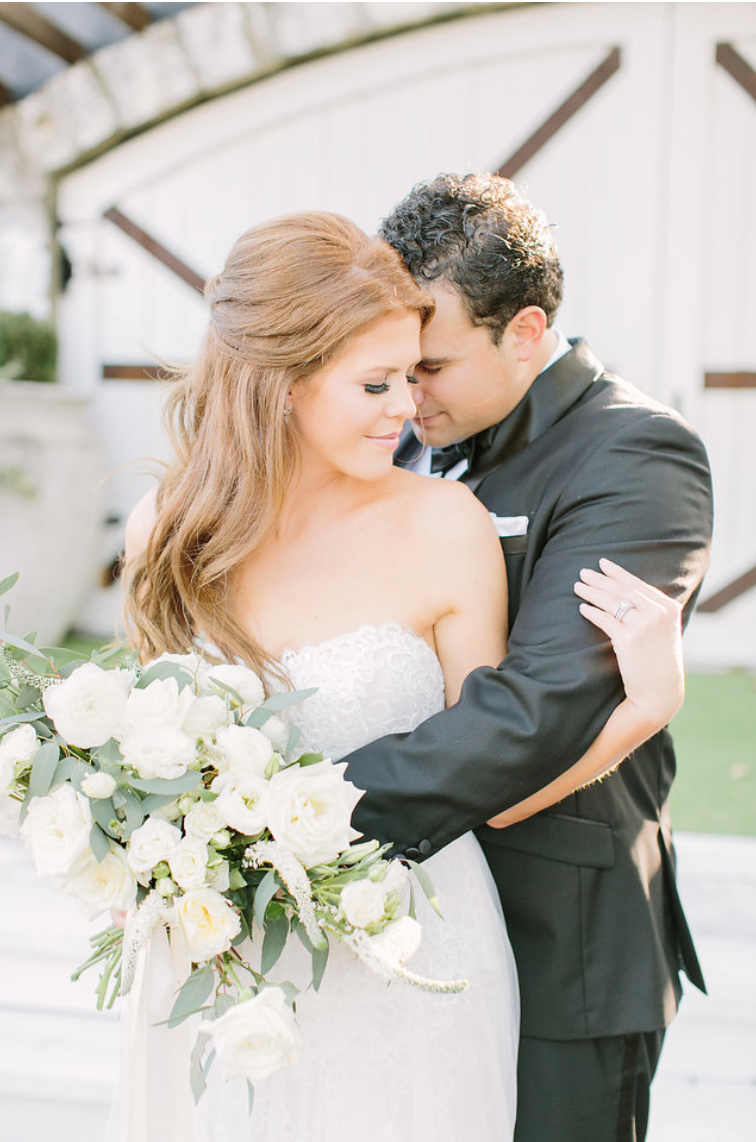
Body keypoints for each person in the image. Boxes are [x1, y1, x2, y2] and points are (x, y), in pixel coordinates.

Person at [121, 211, 687, 1142]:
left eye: (418, 376)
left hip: (417, 951)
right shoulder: (171, 530)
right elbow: (148, 768)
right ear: (280, 386)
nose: (407, 408)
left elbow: (498, 776)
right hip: (228, 956)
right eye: (378, 382)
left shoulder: (442, 523)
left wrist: (645, 704)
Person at [338, 175, 715, 1142]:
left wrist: (303, 811)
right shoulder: (411, 438)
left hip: (564, 944)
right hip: (409, 923)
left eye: (431, 366)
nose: (405, 395)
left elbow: (543, 703)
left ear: (528, 330)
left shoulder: (635, 457)